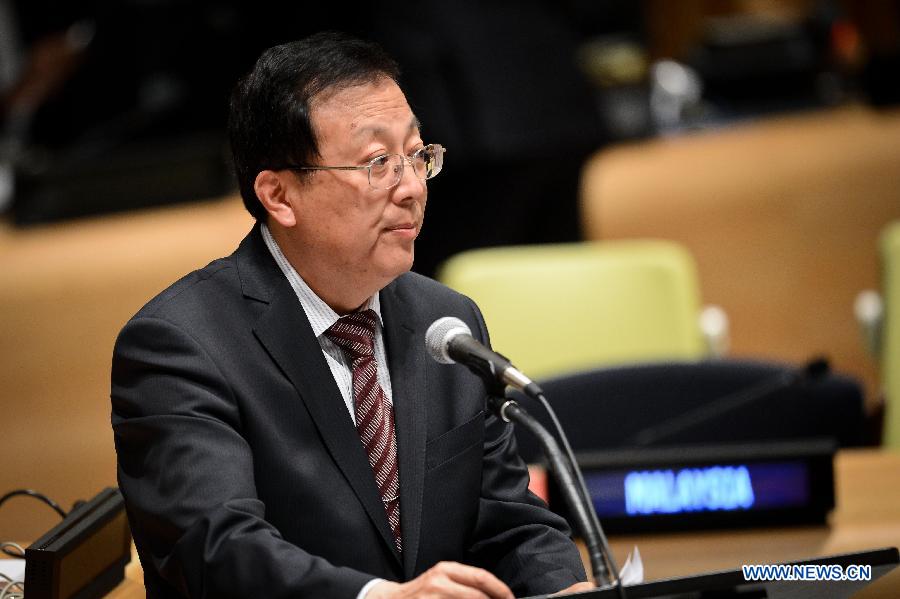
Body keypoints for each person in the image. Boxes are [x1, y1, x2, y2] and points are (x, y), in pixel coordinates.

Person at [111, 31, 592, 598]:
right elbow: (218, 548)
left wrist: (563, 588)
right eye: (377, 162)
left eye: (417, 155)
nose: (412, 187)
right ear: (280, 195)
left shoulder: (446, 322)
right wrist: (377, 597)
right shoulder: (180, 345)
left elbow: (511, 524)